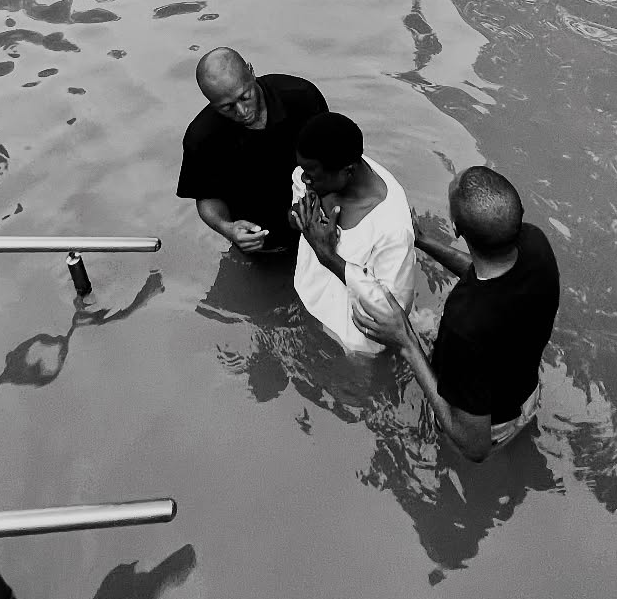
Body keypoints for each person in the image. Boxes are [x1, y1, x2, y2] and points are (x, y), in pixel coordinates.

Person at [350, 165, 559, 461]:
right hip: (526, 394)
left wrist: (406, 340)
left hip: (491, 428)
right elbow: (485, 272)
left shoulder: (465, 323)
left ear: (457, 229)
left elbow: (474, 447)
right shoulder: (535, 244)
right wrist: (423, 241)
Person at [177, 48, 327, 255]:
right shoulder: (202, 137)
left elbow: (332, 158)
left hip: (320, 221)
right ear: (210, 102)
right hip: (263, 239)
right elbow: (206, 197)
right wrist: (228, 229)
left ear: (251, 72)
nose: (242, 112)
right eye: (227, 107)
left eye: (245, 97)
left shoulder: (302, 97)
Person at [290, 111, 416, 357]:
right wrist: (301, 219)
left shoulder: (391, 229)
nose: (303, 177)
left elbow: (390, 313)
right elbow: (296, 211)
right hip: (309, 297)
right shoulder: (320, 172)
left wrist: (328, 256)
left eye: (310, 174)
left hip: (356, 342)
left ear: (347, 171)